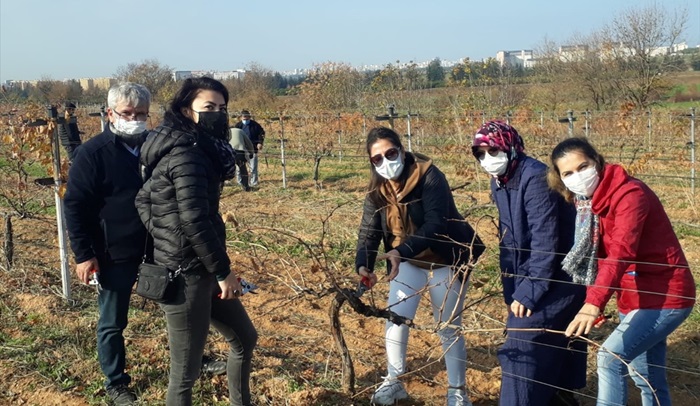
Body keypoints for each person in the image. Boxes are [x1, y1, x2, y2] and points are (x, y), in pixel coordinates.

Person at [135, 77, 258, 406]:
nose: (217, 114)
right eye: (208, 107)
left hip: (199, 263)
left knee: (245, 338)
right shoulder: (188, 154)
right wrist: (222, 271)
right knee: (185, 374)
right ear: (186, 110)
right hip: (186, 273)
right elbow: (194, 220)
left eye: (221, 108)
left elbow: (145, 201)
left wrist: (167, 231)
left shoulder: (198, 147)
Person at [549, 137, 696, 406]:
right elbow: (602, 260)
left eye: (583, 167)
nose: (578, 177)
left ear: (597, 162)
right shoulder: (588, 204)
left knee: (609, 358)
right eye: (568, 173)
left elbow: (621, 252)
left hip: (665, 294)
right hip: (631, 296)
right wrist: (600, 299)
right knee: (646, 378)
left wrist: (593, 303)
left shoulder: (630, 194)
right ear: (560, 179)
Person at [355, 127, 484, 406]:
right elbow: (369, 230)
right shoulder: (377, 188)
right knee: (396, 319)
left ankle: (457, 393)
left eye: (390, 153)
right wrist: (364, 264)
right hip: (408, 262)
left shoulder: (430, 176)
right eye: (377, 159)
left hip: (445, 260)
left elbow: (436, 224)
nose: (385, 162)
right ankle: (393, 382)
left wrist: (399, 251)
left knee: (448, 327)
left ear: (402, 150)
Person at [471, 121, 587, 406]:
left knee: (520, 341)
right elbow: (508, 240)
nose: (487, 159)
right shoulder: (500, 180)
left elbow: (545, 242)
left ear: (510, 146)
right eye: (480, 153)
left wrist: (529, 291)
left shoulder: (535, 177)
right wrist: (513, 289)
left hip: (563, 276)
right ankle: (557, 396)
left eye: (493, 149)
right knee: (543, 336)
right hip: (535, 274)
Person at [64, 83, 152, 405]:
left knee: (179, 308)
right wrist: (84, 254)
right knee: (113, 321)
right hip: (114, 250)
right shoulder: (93, 153)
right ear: (110, 113)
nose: (134, 119)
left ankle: (192, 361)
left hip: (158, 246)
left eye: (141, 114)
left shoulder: (154, 148)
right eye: (127, 113)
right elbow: (75, 206)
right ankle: (116, 383)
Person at [233, 110, 265, 187]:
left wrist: (260, 142)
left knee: (253, 167)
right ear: (241, 118)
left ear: (249, 117)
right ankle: (240, 182)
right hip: (240, 150)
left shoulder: (255, 125)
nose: (245, 120)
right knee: (239, 167)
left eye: (247, 118)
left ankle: (254, 182)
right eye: (244, 118)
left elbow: (261, 133)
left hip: (252, 148)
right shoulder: (238, 126)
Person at [229, 127, 255, 191]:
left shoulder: (227, 131)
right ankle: (246, 187)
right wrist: (251, 152)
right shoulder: (240, 131)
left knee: (224, 170)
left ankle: (220, 187)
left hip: (229, 152)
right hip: (239, 152)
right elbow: (248, 142)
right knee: (243, 169)